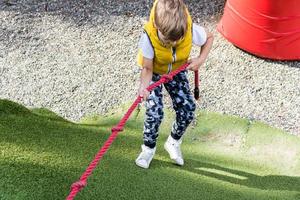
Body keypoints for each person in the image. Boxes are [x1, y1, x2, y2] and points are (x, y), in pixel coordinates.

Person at [135, 0, 214, 169]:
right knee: (155, 113)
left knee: (188, 109)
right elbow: (147, 68)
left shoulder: (189, 29)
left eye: (177, 40)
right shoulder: (148, 36)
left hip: (176, 71)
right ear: (156, 25)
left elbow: (209, 37)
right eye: (167, 40)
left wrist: (200, 60)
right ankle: (148, 149)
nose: (172, 44)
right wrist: (144, 87)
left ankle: (173, 142)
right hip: (154, 73)